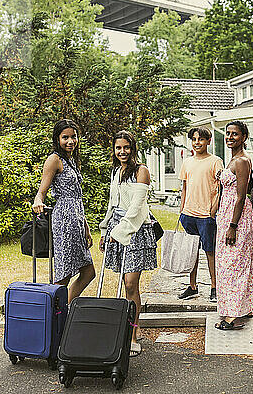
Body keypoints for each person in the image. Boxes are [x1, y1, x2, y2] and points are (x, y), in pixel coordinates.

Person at [99, 130, 157, 357]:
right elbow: (112, 204)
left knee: (131, 284)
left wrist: (120, 232)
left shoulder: (141, 171)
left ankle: (133, 334)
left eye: (126, 147)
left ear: (133, 148)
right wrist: (105, 230)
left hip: (135, 229)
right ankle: (130, 324)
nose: (122, 152)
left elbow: (136, 207)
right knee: (124, 282)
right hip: (116, 226)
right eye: (118, 148)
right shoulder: (116, 171)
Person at [32, 119, 96, 303]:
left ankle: (63, 309)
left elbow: (77, 196)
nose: (70, 141)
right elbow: (41, 191)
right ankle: (54, 314)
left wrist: (86, 226)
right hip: (64, 219)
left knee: (88, 272)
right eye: (65, 137)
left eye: (73, 137)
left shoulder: (72, 160)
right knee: (64, 273)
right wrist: (38, 202)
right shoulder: (54, 159)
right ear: (57, 139)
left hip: (76, 219)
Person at [214, 121, 253, 330]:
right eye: (228, 133)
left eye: (235, 134)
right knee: (234, 262)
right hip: (227, 213)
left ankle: (232, 315)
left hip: (236, 216)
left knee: (233, 264)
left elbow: (241, 196)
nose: (230, 137)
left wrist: (233, 225)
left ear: (244, 137)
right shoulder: (234, 159)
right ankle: (243, 307)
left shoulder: (241, 161)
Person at [177, 127, 224, 302]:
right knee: (191, 253)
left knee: (210, 252)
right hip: (188, 214)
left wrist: (213, 210)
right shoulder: (187, 162)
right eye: (194, 139)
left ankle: (214, 286)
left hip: (206, 215)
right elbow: (184, 188)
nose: (197, 142)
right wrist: (181, 211)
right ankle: (192, 286)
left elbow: (221, 188)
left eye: (201, 139)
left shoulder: (215, 161)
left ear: (208, 141)